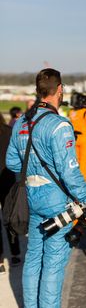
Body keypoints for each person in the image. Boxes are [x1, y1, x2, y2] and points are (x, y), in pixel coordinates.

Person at [6, 68, 86, 308]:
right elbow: (70, 171)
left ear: (39, 90)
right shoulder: (59, 125)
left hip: (32, 197)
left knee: (33, 257)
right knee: (54, 262)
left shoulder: (23, 121)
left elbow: (13, 162)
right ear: (59, 89)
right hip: (56, 200)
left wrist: (35, 168)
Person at [0, 113, 20, 274]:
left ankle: (0, 261)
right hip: (7, 178)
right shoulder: (9, 131)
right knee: (9, 218)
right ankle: (15, 254)